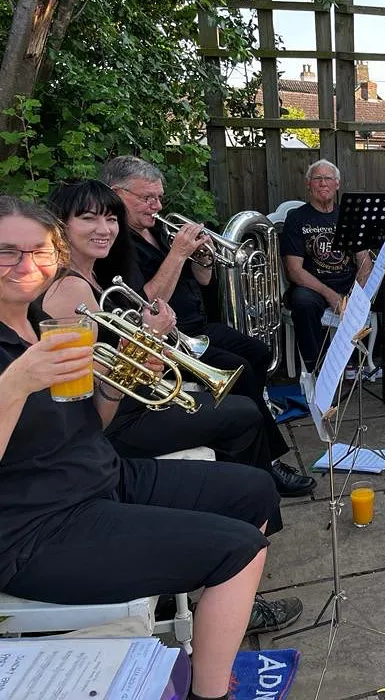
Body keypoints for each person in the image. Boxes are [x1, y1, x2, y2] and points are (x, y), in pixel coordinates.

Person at [0, 196, 303, 700]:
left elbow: (90, 425)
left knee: (255, 489)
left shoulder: (42, 322)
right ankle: (210, 692)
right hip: (36, 527)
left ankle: (215, 618)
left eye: (38, 251)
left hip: (102, 475)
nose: (26, 265)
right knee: (240, 548)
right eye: (7, 252)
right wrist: (14, 384)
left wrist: (120, 379)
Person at [42, 181, 287, 503]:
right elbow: (91, 385)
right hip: (119, 421)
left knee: (243, 404)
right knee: (243, 412)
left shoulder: (96, 273)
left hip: (135, 400)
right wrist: (151, 335)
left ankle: (247, 495)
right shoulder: (68, 290)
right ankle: (249, 500)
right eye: (89, 218)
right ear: (61, 225)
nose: (104, 229)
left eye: (111, 219)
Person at [99, 157, 314, 497]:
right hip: (169, 339)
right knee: (239, 370)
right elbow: (145, 304)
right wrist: (179, 253)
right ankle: (264, 465)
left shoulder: (157, 228)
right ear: (116, 194)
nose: (157, 206)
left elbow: (203, 280)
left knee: (258, 354)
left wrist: (203, 259)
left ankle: (251, 446)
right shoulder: (115, 244)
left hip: (198, 326)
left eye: (159, 197)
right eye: (147, 198)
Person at [281, 159, 385, 391]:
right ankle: (319, 376)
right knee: (302, 303)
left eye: (328, 179)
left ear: (337, 184)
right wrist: (331, 295)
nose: (323, 183)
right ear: (308, 184)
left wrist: (358, 294)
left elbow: (364, 261)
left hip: (351, 286)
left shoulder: (350, 215)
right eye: (317, 178)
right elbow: (294, 270)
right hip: (315, 288)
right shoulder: (297, 218)